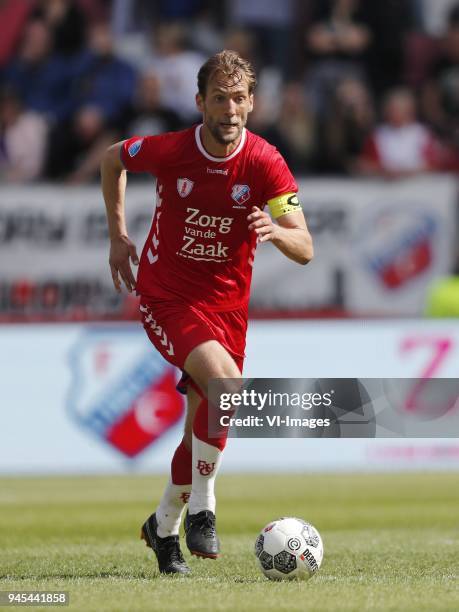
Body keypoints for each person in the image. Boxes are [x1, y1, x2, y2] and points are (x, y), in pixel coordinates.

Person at [101, 50, 313, 575]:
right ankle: (204, 507)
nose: (230, 108)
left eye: (238, 98)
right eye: (219, 98)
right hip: (166, 295)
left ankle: (163, 529)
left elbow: (306, 246)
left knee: (203, 426)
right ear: (200, 103)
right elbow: (112, 160)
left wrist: (278, 232)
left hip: (227, 311)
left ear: (252, 104)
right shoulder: (172, 150)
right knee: (226, 385)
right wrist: (117, 237)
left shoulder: (265, 163)